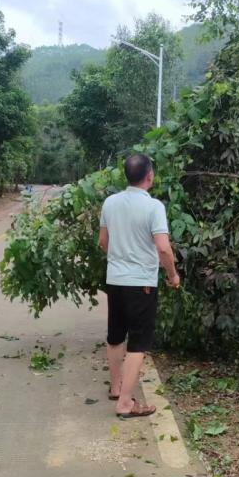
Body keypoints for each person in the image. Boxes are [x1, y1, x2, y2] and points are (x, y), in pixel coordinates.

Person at [98, 153, 180, 417]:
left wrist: (119, 257)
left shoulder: (110, 202)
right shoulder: (154, 206)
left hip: (115, 280)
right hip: (141, 283)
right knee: (138, 342)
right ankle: (125, 403)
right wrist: (172, 275)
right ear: (150, 176)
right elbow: (164, 249)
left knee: (115, 335)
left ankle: (116, 386)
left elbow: (103, 242)